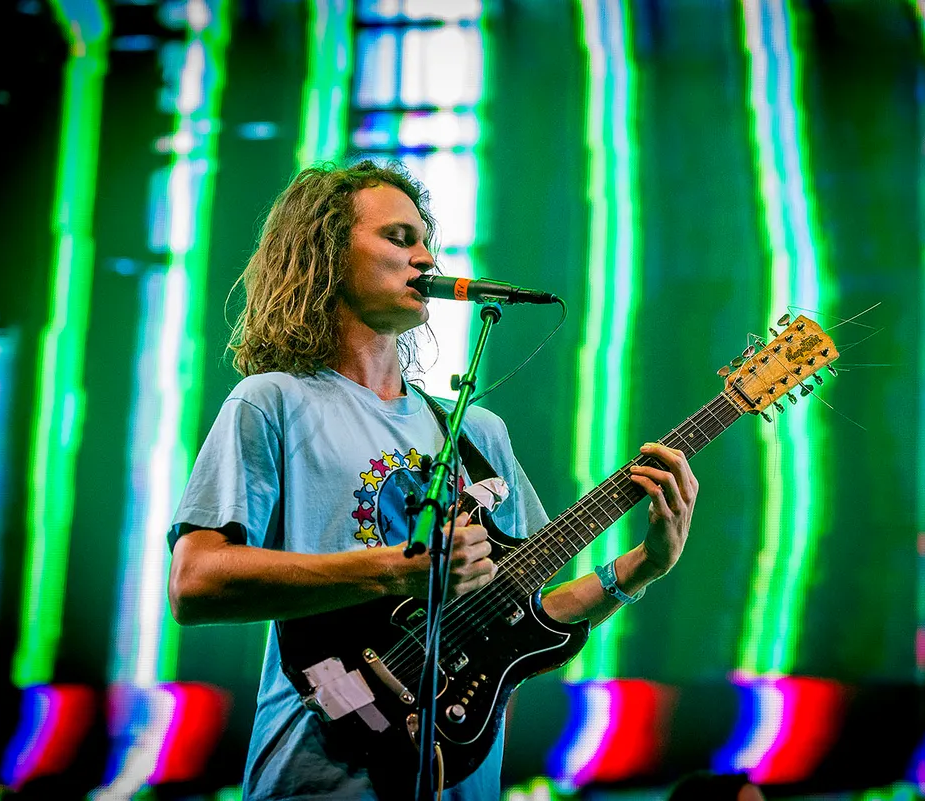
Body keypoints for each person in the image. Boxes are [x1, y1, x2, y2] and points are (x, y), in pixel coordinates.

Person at [165, 158, 699, 800]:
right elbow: (195, 583)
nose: (426, 258)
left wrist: (641, 568)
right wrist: (399, 570)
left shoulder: (479, 433)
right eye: (399, 238)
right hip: (319, 772)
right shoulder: (273, 402)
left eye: (427, 241)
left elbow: (520, 618)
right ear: (326, 255)